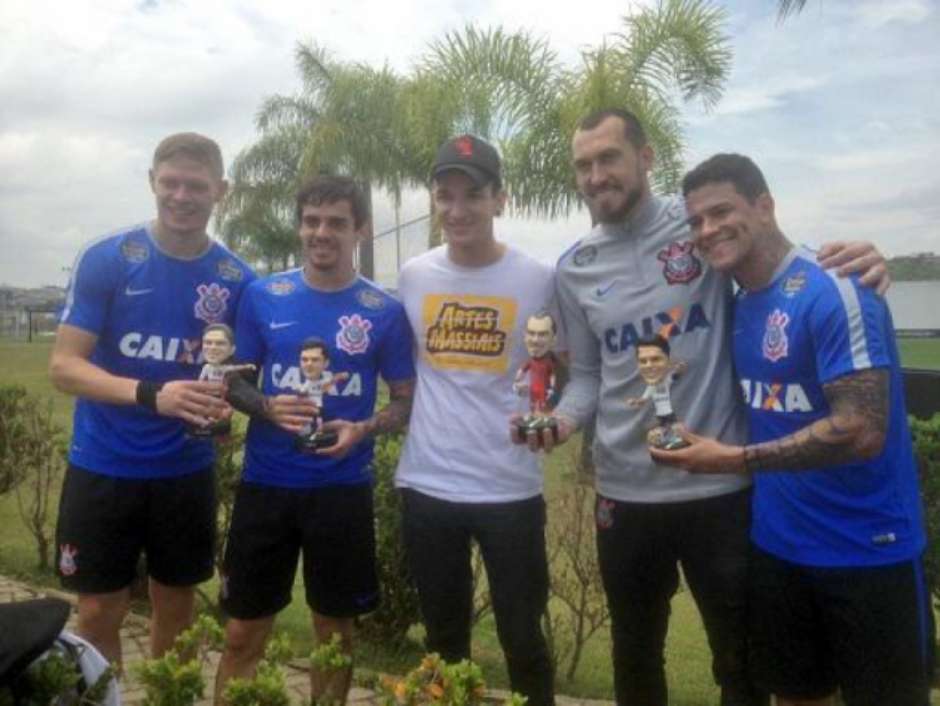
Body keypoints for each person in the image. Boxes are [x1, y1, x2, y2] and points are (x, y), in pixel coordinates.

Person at [513, 108, 889, 706]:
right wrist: (559, 421)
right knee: (635, 655)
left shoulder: (697, 228)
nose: (595, 175)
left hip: (721, 490)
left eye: (608, 157)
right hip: (624, 493)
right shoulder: (574, 266)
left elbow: (772, 260)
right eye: (583, 165)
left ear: (646, 156)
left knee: (739, 663)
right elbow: (585, 375)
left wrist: (854, 261)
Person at [650, 153, 933, 706]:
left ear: (764, 206)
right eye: (697, 221)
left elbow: (860, 431)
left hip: (869, 551)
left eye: (721, 211)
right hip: (778, 549)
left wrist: (732, 459)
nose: (708, 230)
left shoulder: (837, 288)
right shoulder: (736, 306)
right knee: (795, 697)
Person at [49, 132, 255, 665]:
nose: (182, 196)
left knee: (178, 611)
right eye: (170, 183)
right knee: (96, 612)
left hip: (183, 471)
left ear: (221, 191)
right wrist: (150, 395)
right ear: (151, 183)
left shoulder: (236, 278)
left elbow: (242, 376)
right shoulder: (109, 257)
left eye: (197, 186)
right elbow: (64, 367)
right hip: (103, 465)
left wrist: (233, 400)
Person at [213, 176, 415, 705]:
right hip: (266, 487)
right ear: (300, 224)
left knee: (335, 637)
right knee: (240, 634)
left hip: (341, 490)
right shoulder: (263, 296)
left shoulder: (383, 310)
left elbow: (405, 401)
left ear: (360, 230)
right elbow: (232, 380)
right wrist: (266, 405)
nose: (321, 232)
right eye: (312, 221)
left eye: (336, 222)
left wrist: (365, 427)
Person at [395, 134, 557, 706]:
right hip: (429, 485)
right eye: (446, 196)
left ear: (500, 199)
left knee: (523, 639)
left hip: (509, 488)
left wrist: (553, 418)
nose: (458, 210)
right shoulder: (414, 276)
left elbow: (563, 366)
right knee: (443, 642)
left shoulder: (537, 279)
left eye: (473, 195)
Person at [626, 333, 688, 449]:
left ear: (668, 360)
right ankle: (664, 442)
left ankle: (679, 439)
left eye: (655, 359)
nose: (649, 366)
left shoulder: (666, 381)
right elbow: (643, 399)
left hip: (669, 411)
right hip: (660, 414)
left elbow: (675, 376)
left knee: (675, 426)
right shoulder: (650, 387)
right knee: (662, 429)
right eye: (643, 361)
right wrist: (635, 401)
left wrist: (680, 369)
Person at [194, 323, 255, 437]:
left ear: (232, 350)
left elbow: (234, 368)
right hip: (208, 394)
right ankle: (204, 425)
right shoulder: (206, 368)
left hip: (222, 394)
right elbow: (201, 381)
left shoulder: (226, 369)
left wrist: (247, 366)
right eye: (208, 343)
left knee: (222, 412)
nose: (213, 347)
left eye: (220, 343)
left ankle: (218, 426)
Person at [295, 337, 350, 450]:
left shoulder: (322, 381)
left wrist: (340, 377)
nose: (309, 364)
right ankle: (306, 437)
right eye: (304, 360)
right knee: (307, 421)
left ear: (326, 363)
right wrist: (301, 394)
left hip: (318, 406)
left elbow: (329, 383)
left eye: (315, 360)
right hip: (307, 407)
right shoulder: (307, 383)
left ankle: (317, 434)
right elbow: (302, 392)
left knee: (318, 420)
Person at [513, 311, 559, 425]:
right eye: (531, 333)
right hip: (533, 389)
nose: (535, 340)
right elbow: (521, 372)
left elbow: (553, 375)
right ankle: (534, 417)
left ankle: (541, 419)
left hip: (544, 389)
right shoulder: (530, 361)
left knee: (543, 404)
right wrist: (517, 382)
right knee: (533, 403)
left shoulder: (549, 362)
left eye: (542, 334)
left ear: (554, 339)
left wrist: (552, 388)